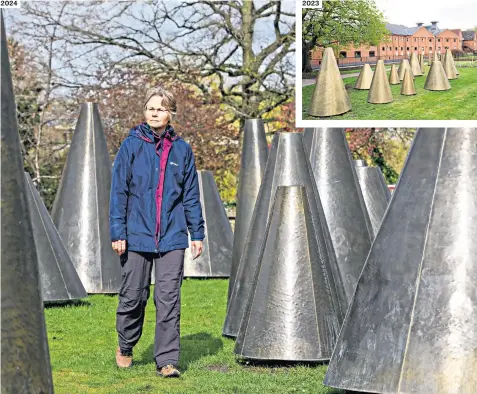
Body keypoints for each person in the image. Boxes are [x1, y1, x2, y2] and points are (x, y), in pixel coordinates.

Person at [109, 87, 205, 378]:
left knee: (168, 300)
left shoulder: (182, 150)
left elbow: (190, 195)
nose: (154, 112)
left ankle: (167, 360)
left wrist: (196, 233)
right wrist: (118, 231)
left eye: (161, 108)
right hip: (136, 235)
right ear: (144, 112)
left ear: (170, 114)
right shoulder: (131, 146)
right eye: (150, 107)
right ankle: (125, 345)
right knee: (133, 297)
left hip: (172, 238)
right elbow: (119, 192)